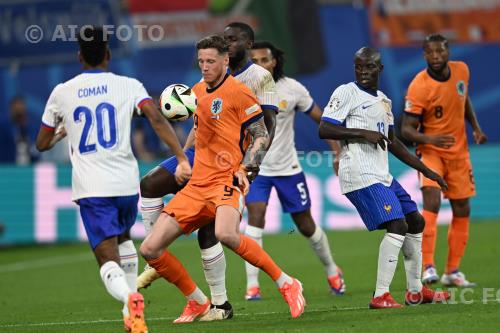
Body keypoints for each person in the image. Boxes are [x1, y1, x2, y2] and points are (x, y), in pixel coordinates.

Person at [139, 35, 305, 324]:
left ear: (225, 60)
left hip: (226, 180)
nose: (205, 66)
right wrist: (183, 158)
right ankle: (197, 302)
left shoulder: (239, 93)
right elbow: (198, 129)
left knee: (225, 234)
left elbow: (260, 134)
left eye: (211, 61)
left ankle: (286, 283)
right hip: (197, 184)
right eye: (201, 61)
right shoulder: (195, 92)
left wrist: (248, 167)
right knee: (150, 249)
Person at [35, 26, 191, 333]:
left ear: (80, 57)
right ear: (107, 54)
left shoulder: (62, 92)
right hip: (125, 183)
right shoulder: (129, 85)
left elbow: (41, 143)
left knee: (107, 259)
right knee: (124, 241)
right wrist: (182, 158)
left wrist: (60, 134)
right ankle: (133, 317)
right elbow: (157, 118)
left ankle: (130, 297)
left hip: (93, 188)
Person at [318, 46, 450, 308]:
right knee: (397, 225)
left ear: (380, 69)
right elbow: (324, 128)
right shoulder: (346, 92)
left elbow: (394, 143)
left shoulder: (384, 101)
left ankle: (415, 291)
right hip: (359, 171)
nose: (363, 71)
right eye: (359, 66)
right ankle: (381, 296)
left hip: (382, 173)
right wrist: (362, 133)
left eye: (369, 67)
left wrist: (426, 170)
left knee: (416, 221)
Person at [242, 40, 344, 301]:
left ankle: (332, 270)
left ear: (274, 61)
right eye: (254, 61)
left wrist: (337, 151)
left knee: (306, 225)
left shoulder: (292, 89)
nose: (260, 66)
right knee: (256, 216)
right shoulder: (241, 89)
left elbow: (321, 120)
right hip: (257, 169)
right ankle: (252, 286)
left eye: (265, 60)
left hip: (289, 168)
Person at [401, 34, 487, 287]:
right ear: (424, 55)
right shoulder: (419, 86)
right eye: (430, 53)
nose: (436, 57)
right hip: (431, 152)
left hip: (459, 152)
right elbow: (406, 129)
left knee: (462, 208)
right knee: (432, 200)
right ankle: (428, 266)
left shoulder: (462, 71)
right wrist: (431, 139)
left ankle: (453, 272)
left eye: (440, 51)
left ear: (448, 51)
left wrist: (476, 127)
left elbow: (463, 98)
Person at [0, 96, 39, 164]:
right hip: (8, 168)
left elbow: (36, 151)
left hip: (30, 167)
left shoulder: (32, 130)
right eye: (16, 111)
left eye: (21, 112)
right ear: (11, 111)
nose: (19, 113)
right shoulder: (4, 129)